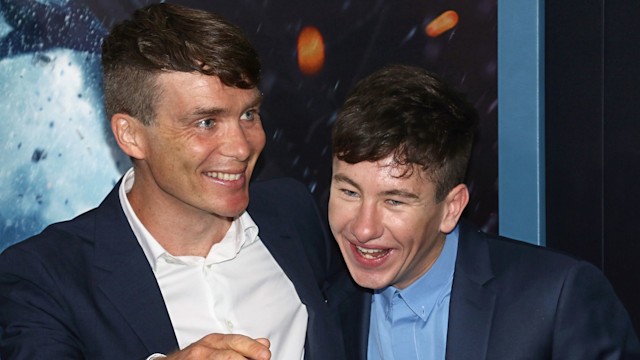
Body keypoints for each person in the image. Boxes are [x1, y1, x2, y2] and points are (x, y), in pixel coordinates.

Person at [0, 3, 346, 360]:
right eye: (206, 122)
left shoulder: (294, 212)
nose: (242, 146)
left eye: (248, 114)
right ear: (131, 135)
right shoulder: (46, 277)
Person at [328, 64, 640, 359]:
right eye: (349, 192)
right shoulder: (323, 307)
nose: (364, 228)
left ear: (451, 208)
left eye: (394, 201)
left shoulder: (556, 299)